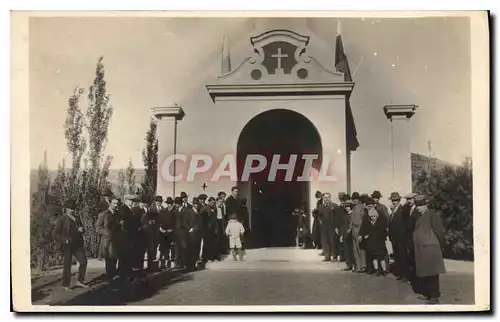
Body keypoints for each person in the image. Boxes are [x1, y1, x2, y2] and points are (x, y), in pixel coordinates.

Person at [412, 195, 446, 304]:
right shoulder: (419, 216)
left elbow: (440, 231)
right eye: (417, 205)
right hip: (422, 249)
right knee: (426, 272)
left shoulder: (432, 215)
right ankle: (428, 294)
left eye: (421, 205)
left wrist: (437, 245)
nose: (418, 207)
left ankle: (434, 296)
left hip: (430, 249)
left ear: (426, 205)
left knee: (432, 273)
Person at [53, 199, 88, 290]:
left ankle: (80, 281)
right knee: (67, 265)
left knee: (83, 261)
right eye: (70, 208)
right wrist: (65, 240)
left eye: (73, 208)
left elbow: (81, 228)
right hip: (68, 244)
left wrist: (82, 229)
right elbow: (55, 234)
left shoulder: (77, 218)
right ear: (66, 209)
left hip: (78, 244)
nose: (72, 210)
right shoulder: (61, 219)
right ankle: (66, 284)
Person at [360, 197, 389, 276]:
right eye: (368, 206)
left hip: (379, 240)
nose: (369, 208)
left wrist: (383, 236)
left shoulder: (380, 214)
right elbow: (363, 226)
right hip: (370, 239)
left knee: (381, 256)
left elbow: (384, 227)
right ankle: (374, 269)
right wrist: (362, 235)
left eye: (370, 206)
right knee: (372, 256)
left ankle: (384, 269)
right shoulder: (366, 214)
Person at [95, 196, 121, 282]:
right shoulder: (103, 214)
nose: (116, 205)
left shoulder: (118, 214)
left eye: (117, 203)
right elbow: (98, 227)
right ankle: (110, 276)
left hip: (117, 238)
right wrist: (105, 232)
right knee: (109, 258)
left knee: (115, 257)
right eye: (114, 203)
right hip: (108, 240)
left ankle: (113, 275)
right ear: (110, 203)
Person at [388, 192, 410, 282]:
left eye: (396, 200)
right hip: (394, 238)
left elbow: (405, 225)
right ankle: (400, 274)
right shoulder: (393, 211)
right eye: (393, 200)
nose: (394, 202)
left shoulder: (402, 210)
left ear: (399, 200)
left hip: (401, 238)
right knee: (397, 256)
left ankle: (405, 275)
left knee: (403, 256)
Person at [317, 193, 341, 262]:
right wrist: (320, 221)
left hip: (332, 226)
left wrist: (337, 227)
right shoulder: (320, 206)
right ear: (323, 198)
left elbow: (337, 217)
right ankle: (327, 256)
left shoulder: (334, 206)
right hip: (324, 227)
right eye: (325, 197)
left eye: (327, 197)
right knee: (324, 241)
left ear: (330, 198)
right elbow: (319, 216)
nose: (326, 199)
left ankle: (334, 256)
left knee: (332, 241)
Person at [141, 196, 162, 271]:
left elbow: (155, 221)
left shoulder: (151, 212)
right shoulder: (139, 210)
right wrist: (146, 224)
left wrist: (153, 222)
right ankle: (141, 267)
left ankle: (150, 266)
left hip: (151, 234)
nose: (146, 205)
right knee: (142, 251)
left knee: (151, 250)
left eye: (147, 204)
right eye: (145, 203)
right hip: (143, 234)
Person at [158, 197, 177, 269]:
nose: (169, 205)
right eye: (168, 204)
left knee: (171, 248)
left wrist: (172, 229)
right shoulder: (163, 211)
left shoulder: (175, 212)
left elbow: (176, 223)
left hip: (172, 233)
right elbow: (160, 221)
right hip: (163, 232)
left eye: (171, 204)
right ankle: (162, 262)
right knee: (163, 247)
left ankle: (170, 262)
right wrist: (161, 229)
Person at [350, 192, 367, 273]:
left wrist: (362, 233)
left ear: (359, 199)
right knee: (355, 249)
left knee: (360, 248)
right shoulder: (353, 208)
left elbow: (364, 220)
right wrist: (350, 228)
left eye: (356, 199)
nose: (354, 201)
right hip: (353, 229)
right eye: (353, 199)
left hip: (359, 229)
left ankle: (363, 266)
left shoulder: (362, 208)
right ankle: (358, 266)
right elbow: (351, 219)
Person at [200, 197, 218, 262]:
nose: (213, 204)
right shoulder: (205, 208)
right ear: (209, 202)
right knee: (206, 243)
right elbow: (201, 217)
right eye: (212, 202)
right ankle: (205, 257)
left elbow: (215, 219)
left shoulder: (214, 208)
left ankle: (211, 257)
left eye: (214, 202)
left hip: (212, 229)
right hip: (206, 229)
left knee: (212, 243)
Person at [340, 200, 355, 271]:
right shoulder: (344, 215)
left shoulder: (353, 214)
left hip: (351, 234)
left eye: (348, 207)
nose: (347, 208)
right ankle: (348, 264)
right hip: (345, 234)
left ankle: (354, 264)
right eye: (346, 207)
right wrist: (342, 235)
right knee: (346, 250)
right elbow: (343, 225)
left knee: (352, 250)